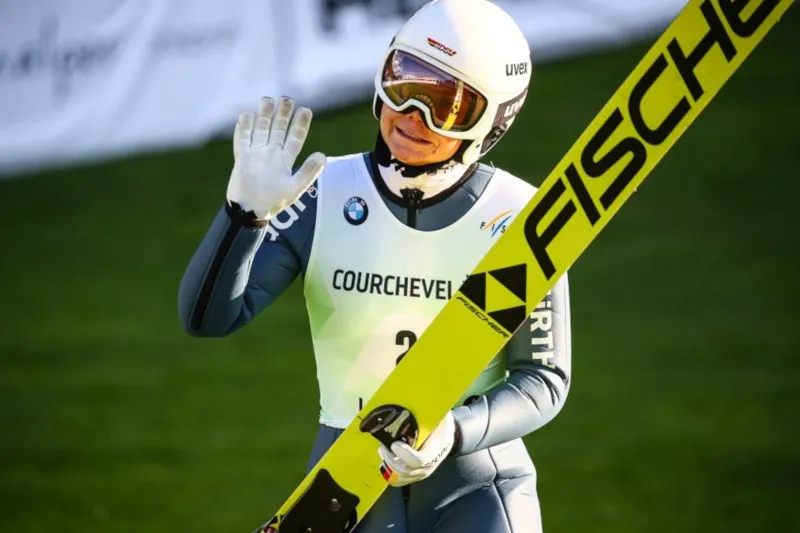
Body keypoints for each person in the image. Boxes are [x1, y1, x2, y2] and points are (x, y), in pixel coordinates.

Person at [178, 0, 571, 531]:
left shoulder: (519, 217)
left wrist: (453, 431)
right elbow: (206, 319)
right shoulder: (319, 194)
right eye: (404, 82)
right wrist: (242, 216)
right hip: (347, 483)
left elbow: (543, 380)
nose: (412, 116)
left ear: (492, 124)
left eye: (447, 105)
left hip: (478, 486)